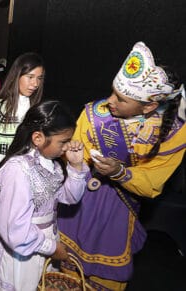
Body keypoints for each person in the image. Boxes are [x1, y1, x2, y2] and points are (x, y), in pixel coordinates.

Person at [58, 41, 186, 290]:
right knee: (63, 270)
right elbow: (74, 155)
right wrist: (74, 160)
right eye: (112, 92)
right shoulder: (95, 113)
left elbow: (152, 183)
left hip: (118, 212)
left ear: (148, 106)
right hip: (79, 201)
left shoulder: (173, 135)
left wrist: (119, 172)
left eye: (121, 99)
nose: (109, 101)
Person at [0, 100, 89, 291]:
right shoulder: (17, 170)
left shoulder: (51, 163)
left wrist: (76, 167)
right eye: (63, 141)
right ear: (38, 138)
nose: (67, 147)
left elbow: (69, 198)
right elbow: (15, 229)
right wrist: (51, 248)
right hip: (21, 251)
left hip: (41, 243)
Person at [0, 52, 45, 246]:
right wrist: (8, 147)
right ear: (17, 75)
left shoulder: (36, 110)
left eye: (39, 78)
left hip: (21, 172)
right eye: (30, 77)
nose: (34, 83)